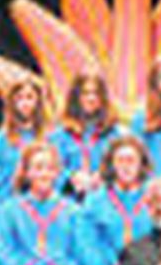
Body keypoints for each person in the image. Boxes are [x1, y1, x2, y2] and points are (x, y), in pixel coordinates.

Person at [76, 135, 154, 265]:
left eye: (132, 160)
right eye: (120, 160)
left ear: (142, 164)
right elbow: (88, 252)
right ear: (110, 164)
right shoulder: (94, 202)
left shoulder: (155, 199)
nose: (126, 166)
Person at [50, 70, 120, 199]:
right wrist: (71, 178)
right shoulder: (59, 135)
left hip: (105, 202)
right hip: (68, 204)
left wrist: (104, 175)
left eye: (96, 93)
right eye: (85, 93)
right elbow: (51, 168)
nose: (91, 98)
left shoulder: (116, 134)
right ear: (75, 98)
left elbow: (124, 168)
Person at [0, 76, 55, 199]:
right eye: (19, 98)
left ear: (38, 101)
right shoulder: (1, 138)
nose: (25, 103)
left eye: (29, 97)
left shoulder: (50, 136)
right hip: (9, 199)